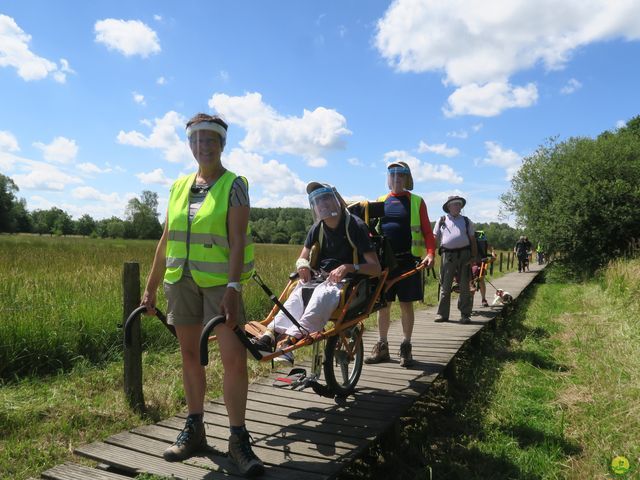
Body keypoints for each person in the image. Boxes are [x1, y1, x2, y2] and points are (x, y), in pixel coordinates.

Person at [141, 113, 263, 476]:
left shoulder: (234, 184)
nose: (204, 146)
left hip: (220, 287)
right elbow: (166, 240)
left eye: (211, 140)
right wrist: (149, 286)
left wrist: (233, 288)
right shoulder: (178, 186)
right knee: (190, 355)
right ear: (189, 144)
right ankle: (195, 428)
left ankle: (238, 439)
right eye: (197, 140)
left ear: (222, 144)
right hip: (181, 283)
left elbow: (238, 239)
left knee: (233, 360)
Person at [252, 182, 381, 363]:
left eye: (326, 198)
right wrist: (302, 265)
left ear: (335, 199)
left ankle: (290, 342)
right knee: (297, 295)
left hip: (345, 281)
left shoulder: (355, 226)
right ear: (314, 205)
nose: (323, 204)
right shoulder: (317, 228)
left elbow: (375, 267)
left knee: (320, 295)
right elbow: (302, 257)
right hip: (318, 278)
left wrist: (349, 267)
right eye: (318, 200)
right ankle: (269, 336)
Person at [365, 161, 435, 367]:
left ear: (407, 178)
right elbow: (370, 230)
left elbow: (427, 232)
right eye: (392, 174)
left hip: (409, 263)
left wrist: (430, 253)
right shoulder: (380, 201)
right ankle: (382, 347)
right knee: (383, 306)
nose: (396, 178)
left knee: (406, 305)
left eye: (401, 175)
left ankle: (406, 347)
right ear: (388, 179)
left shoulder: (417, 201)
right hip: (385, 264)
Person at [433, 196, 477, 324]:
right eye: (455, 204)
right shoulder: (441, 220)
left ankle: (465, 315)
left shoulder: (466, 221)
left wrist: (473, 257)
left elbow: (472, 239)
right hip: (448, 256)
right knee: (445, 286)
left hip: (465, 255)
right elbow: (435, 238)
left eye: (459, 204)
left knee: (464, 287)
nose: (458, 206)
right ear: (448, 207)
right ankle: (442, 314)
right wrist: (431, 253)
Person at [470, 230, 496, 308]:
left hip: (482, 262)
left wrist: (493, 254)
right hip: (473, 262)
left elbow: (490, 248)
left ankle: (483, 299)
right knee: (473, 280)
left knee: (481, 280)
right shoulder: (472, 241)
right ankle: (477, 300)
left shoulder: (483, 242)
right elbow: (490, 248)